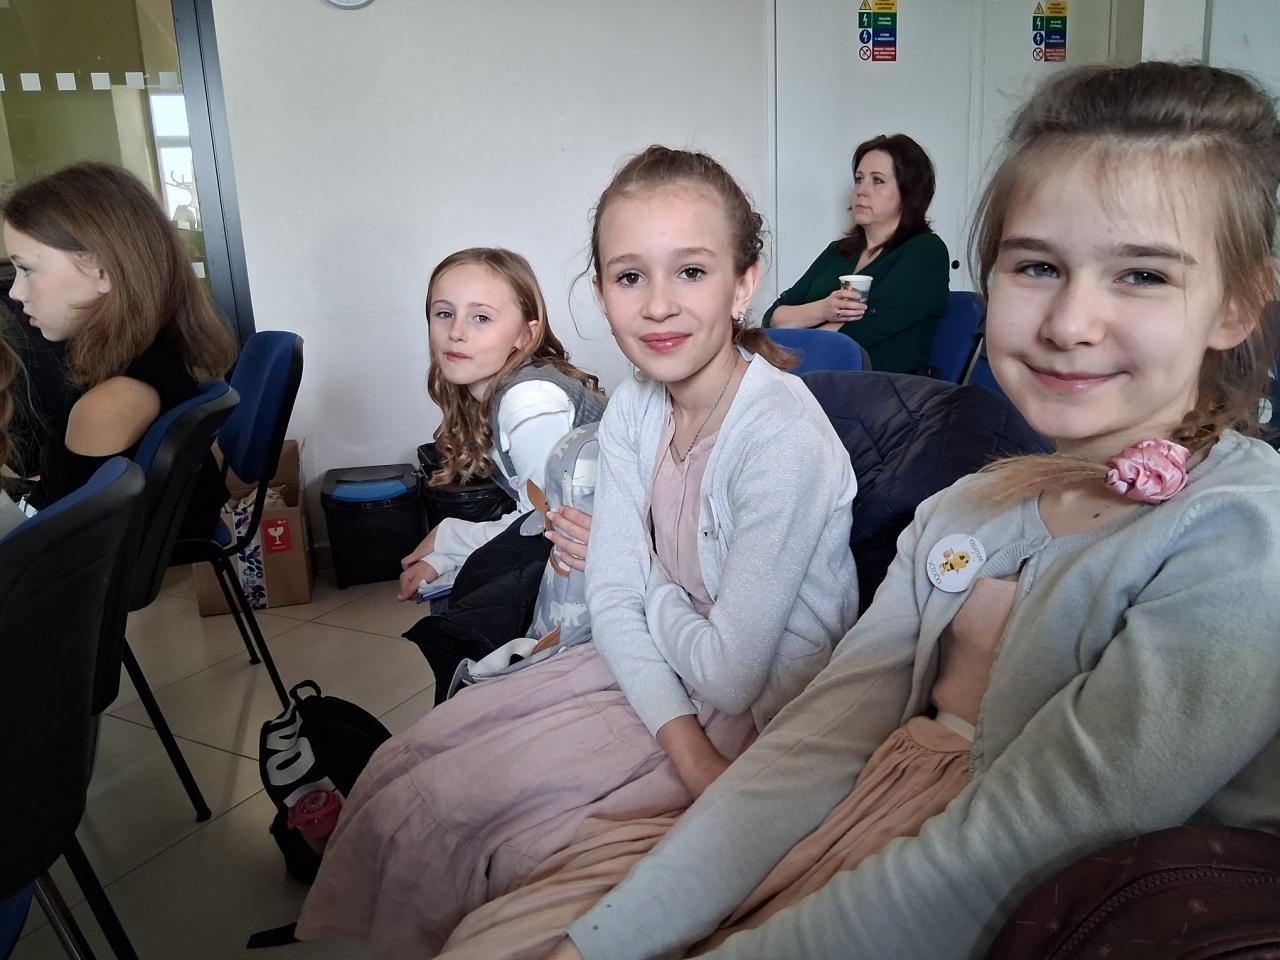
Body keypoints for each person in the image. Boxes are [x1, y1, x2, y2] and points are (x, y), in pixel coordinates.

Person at [437, 61, 1280, 960]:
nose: (1071, 322)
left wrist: (648, 594)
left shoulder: (1241, 538)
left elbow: (1014, 853)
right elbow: (817, 744)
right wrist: (603, 942)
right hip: (858, 815)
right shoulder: (969, 505)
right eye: (1037, 266)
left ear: (1237, 304)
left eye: (1142, 275)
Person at [295, 145, 859, 958]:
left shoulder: (779, 436)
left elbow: (730, 672)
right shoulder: (635, 410)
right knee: (406, 771)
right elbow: (610, 600)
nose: (658, 305)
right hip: (658, 674)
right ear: (599, 293)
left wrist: (642, 585)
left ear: (744, 284)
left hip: (759, 708)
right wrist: (642, 617)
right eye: (630, 277)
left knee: (492, 837)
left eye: (691, 271)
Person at [2, 162, 236, 538]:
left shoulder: (111, 403)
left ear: (102, 272)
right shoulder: (158, 352)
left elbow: (63, 547)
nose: (16, 292)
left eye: (26, 269)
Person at [396, 247, 605, 601]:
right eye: (444, 313)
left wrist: (447, 538)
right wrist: (444, 558)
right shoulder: (497, 392)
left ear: (525, 335)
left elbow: (542, 525)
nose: (456, 332)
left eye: (481, 317)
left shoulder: (530, 400)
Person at [762, 134, 949, 373]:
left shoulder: (925, 251)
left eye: (877, 181)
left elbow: (860, 331)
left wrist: (793, 340)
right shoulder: (837, 252)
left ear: (909, 192)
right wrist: (823, 310)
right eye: (859, 179)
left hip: (879, 386)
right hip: (813, 377)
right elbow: (774, 317)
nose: (862, 190)